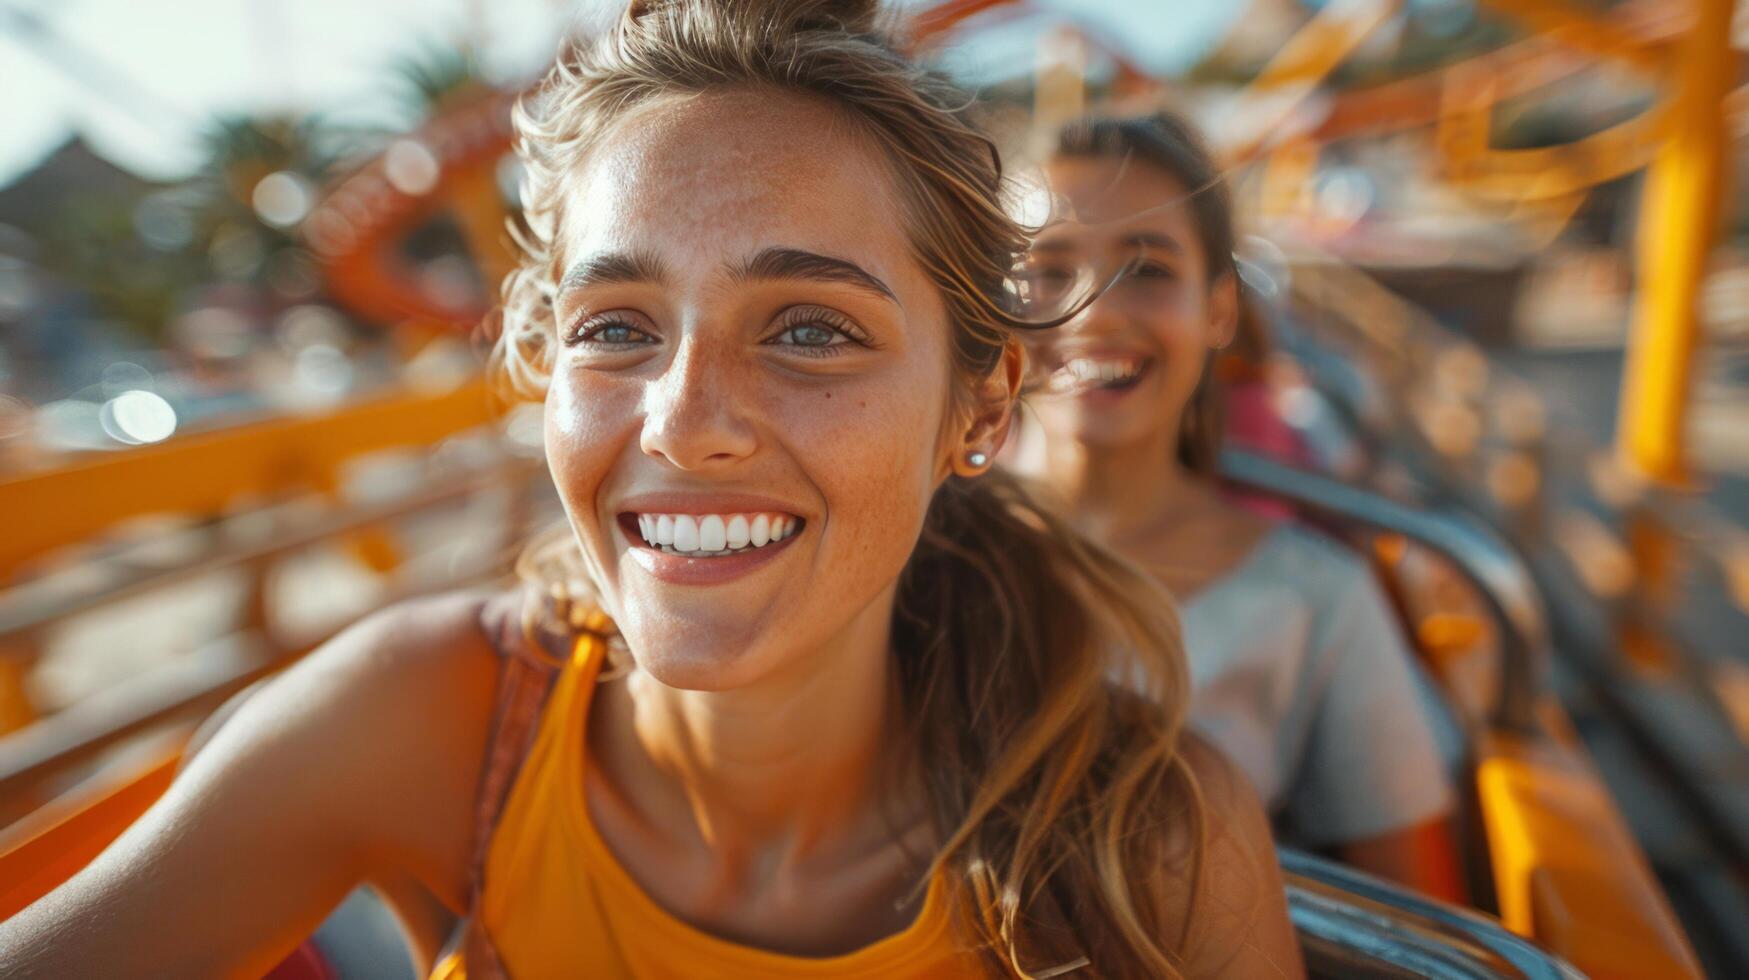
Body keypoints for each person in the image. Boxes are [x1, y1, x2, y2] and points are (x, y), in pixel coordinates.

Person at [0, 4, 1303, 978]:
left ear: (982, 403)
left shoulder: (1148, 842)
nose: (683, 426)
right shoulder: (435, 726)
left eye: (807, 329)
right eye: (618, 328)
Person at [1012, 110, 1463, 900]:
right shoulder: (906, 547)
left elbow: (1418, 921)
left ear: (1219, 310)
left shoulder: (1316, 597)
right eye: (1045, 273)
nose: (1091, 313)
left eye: (1146, 269)